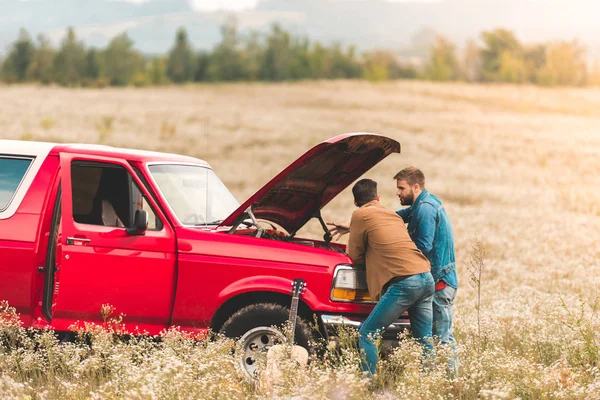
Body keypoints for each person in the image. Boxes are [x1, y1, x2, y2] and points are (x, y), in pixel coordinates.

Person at [341, 178, 434, 377]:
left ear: (355, 202)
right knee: (425, 339)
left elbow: (356, 255)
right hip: (426, 277)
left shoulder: (360, 214)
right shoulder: (392, 215)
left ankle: (369, 384)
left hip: (405, 282)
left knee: (367, 333)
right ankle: (431, 383)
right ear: (377, 197)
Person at [394, 166, 458, 376]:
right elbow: (394, 217)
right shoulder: (421, 204)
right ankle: (434, 380)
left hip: (440, 283)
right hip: (437, 282)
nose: (398, 193)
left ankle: (452, 385)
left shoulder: (425, 209)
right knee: (433, 336)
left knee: (442, 338)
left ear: (415, 186)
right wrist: (360, 222)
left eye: (401, 188)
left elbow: (423, 246)